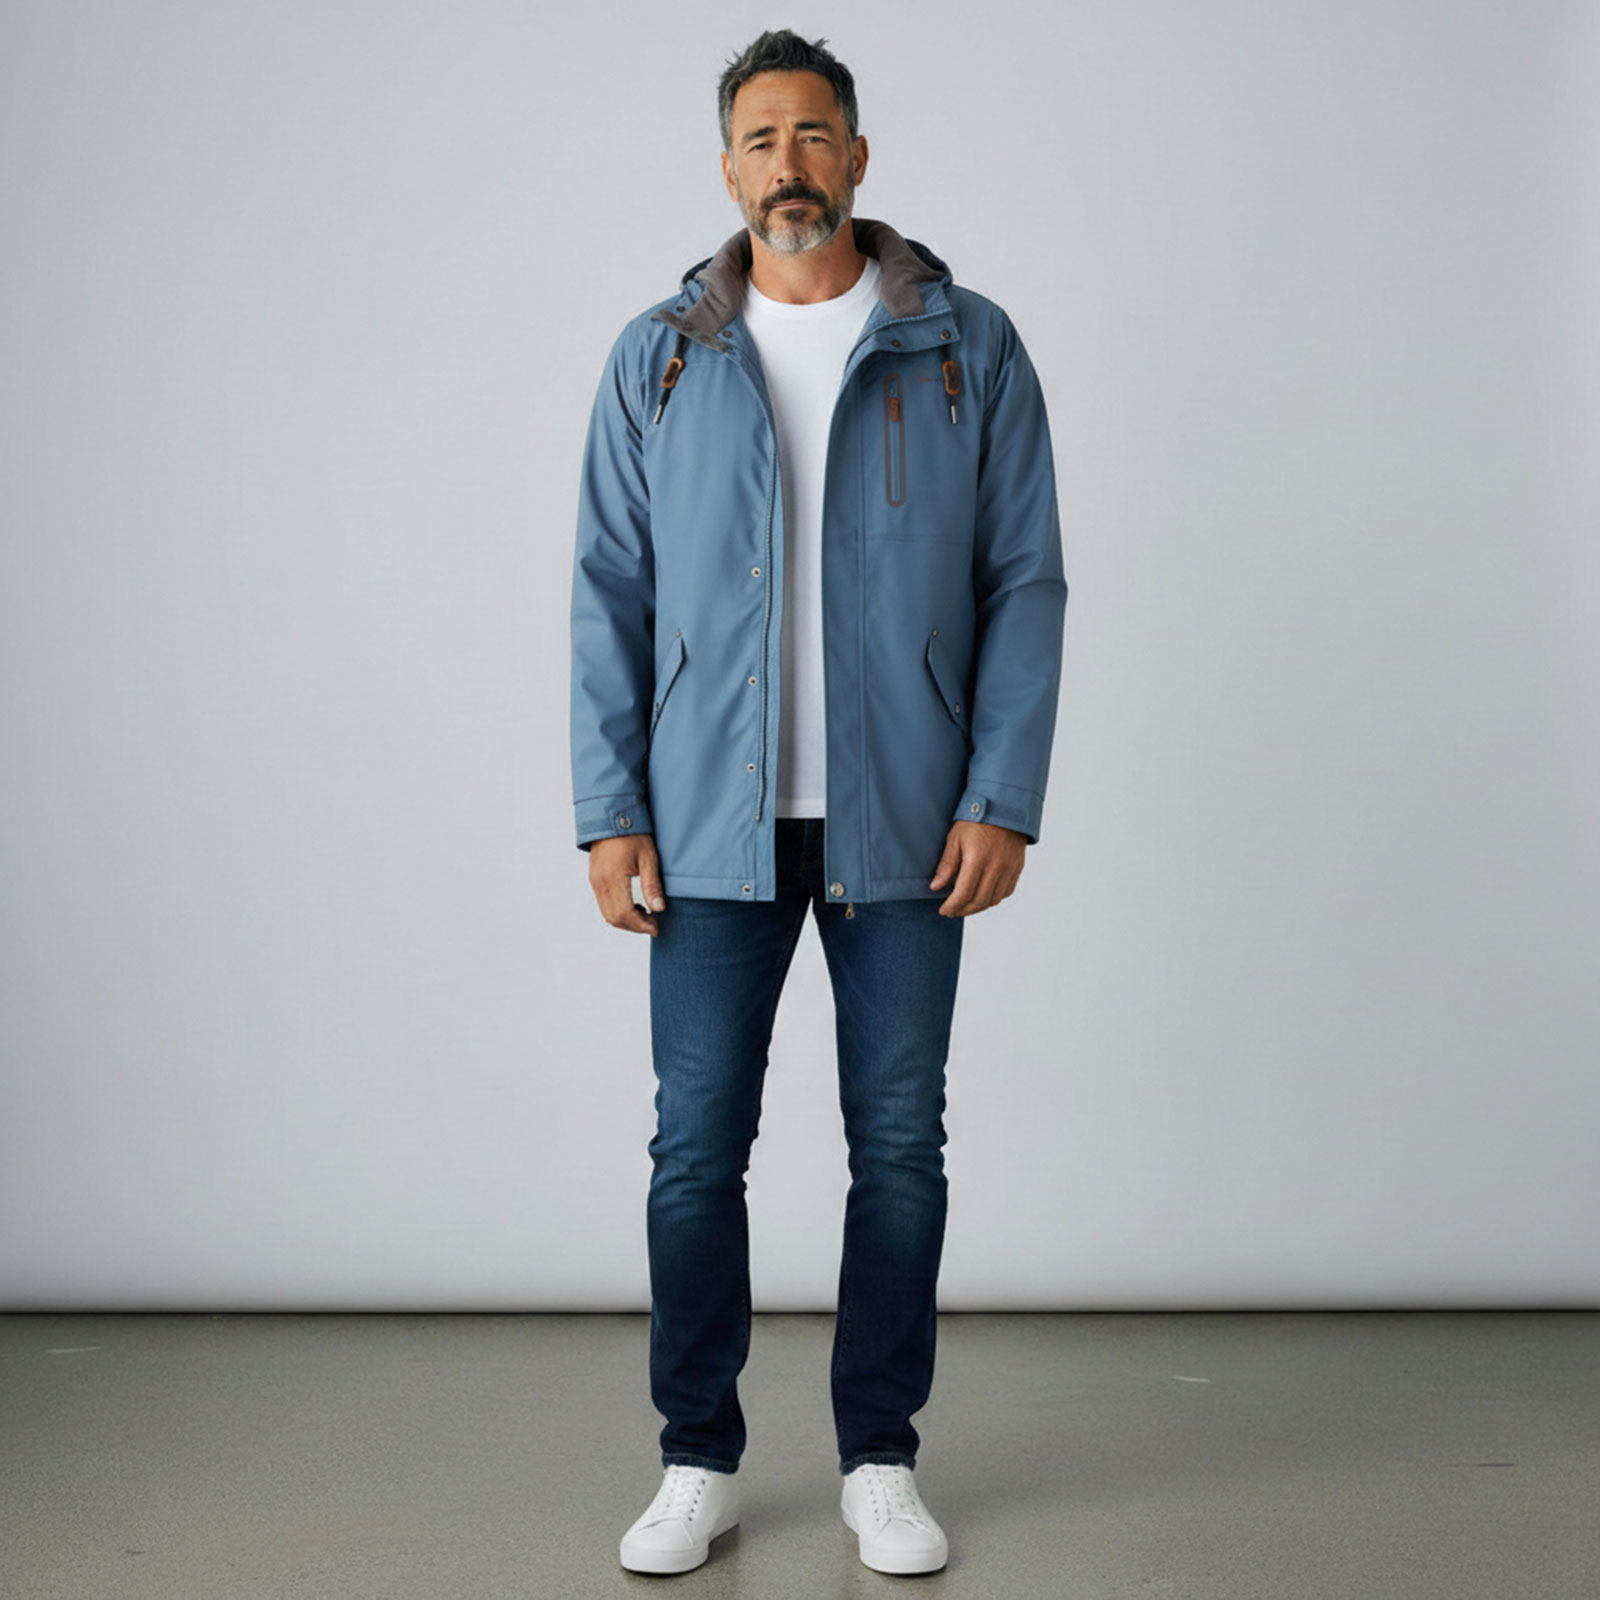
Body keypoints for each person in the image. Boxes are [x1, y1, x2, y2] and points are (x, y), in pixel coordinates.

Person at [570, 28, 1067, 1577]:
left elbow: (1025, 582)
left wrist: (1002, 793)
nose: (788, 164)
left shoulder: (965, 347)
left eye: (813, 134)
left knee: (899, 1146)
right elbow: (608, 593)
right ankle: (696, 1456)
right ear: (727, 170)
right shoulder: (659, 357)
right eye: (760, 138)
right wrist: (609, 809)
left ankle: (880, 1458)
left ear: (857, 156)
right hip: (706, 825)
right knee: (694, 1150)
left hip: (908, 823)